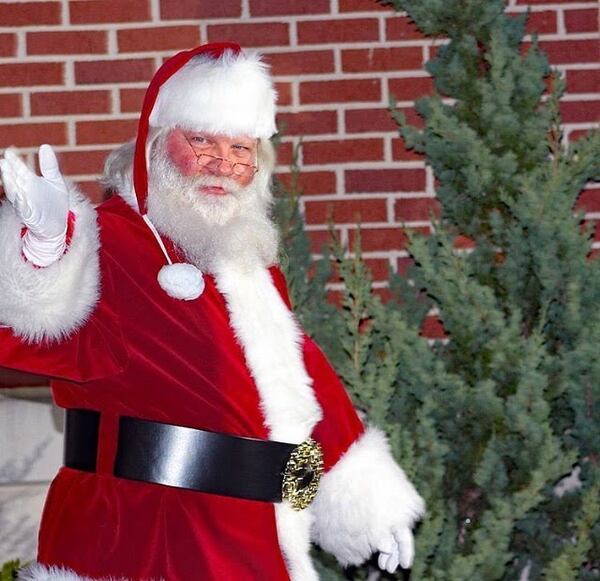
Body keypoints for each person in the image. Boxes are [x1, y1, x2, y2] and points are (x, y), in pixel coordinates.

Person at [0, 42, 424, 581]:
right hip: (144, 536)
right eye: (201, 140)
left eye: (242, 148)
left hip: (257, 537)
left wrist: (363, 510)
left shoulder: (249, 262)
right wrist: (39, 254)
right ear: (154, 145)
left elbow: (298, 390)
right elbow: (46, 342)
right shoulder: (108, 241)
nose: (224, 163)